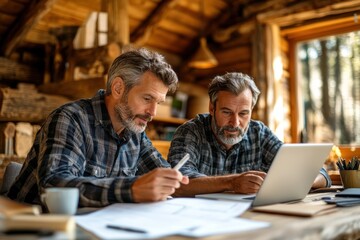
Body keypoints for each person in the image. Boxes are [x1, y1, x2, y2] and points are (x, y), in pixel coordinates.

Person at [7, 48, 189, 208]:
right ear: (118, 88)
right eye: (147, 99)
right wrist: (132, 189)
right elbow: (54, 185)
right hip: (31, 227)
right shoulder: (70, 118)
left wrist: (173, 181)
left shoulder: (134, 133)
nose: (153, 113)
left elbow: (168, 175)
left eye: (158, 103)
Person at [167, 72, 331, 197]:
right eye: (227, 112)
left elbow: (321, 174)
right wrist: (232, 183)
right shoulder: (191, 132)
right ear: (212, 108)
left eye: (243, 113)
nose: (235, 123)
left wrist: (303, 179)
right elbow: (178, 183)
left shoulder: (259, 133)